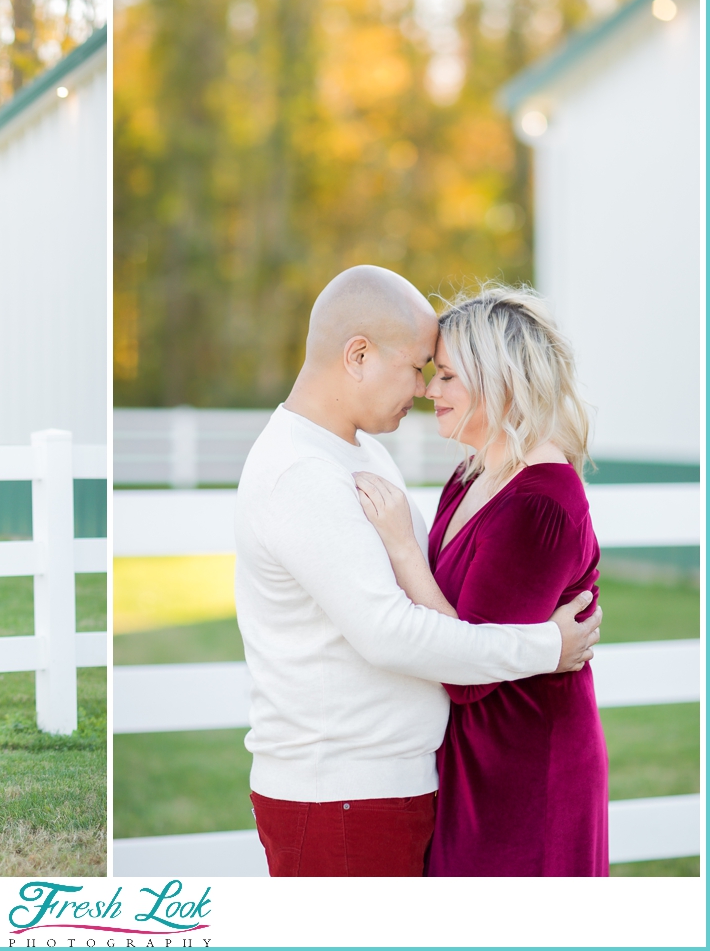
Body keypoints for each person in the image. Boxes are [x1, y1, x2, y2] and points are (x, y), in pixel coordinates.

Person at [234, 264, 602, 877]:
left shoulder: (361, 451)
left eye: (442, 373)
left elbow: (429, 589)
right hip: (345, 788)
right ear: (357, 356)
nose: (426, 386)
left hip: (411, 782)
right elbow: (389, 630)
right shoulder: (302, 472)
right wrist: (548, 645)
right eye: (418, 367)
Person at [354, 286, 608, 876]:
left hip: (524, 764)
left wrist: (400, 545)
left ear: (501, 380)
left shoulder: (540, 501)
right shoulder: (471, 476)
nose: (428, 389)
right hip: (472, 755)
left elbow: (468, 675)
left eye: (446, 376)